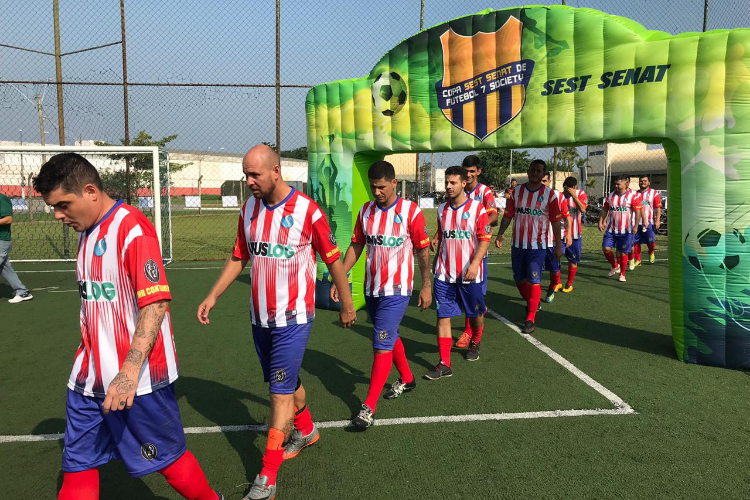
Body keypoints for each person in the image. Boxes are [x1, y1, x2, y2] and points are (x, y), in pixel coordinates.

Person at [33, 154, 222, 500]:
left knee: (168, 459)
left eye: (63, 204)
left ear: (90, 191)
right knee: (78, 465)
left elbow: (156, 303)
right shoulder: (86, 231)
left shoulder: (132, 229)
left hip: (139, 380)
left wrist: (130, 371)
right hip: (87, 378)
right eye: (53, 208)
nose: (58, 216)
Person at [197, 144, 355, 500]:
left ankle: (266, 479)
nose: (248, 181)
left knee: (278, 394)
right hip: (259, 319)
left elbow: (332, 261)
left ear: (276, 172)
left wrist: (346, 303)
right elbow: (240, 255)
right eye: (245, 175)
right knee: (285, 380)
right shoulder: (248, 209)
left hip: (294, 319)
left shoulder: (307, 212)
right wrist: (213, 295)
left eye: (254, 175)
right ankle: (308, 430)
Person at [330, 160, 432, 429]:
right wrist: (339, 276)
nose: (376, 192)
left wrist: (426, 285)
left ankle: (368, 408)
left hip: (397, 291)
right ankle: (407, 378)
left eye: (382, 187)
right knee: (389, 335)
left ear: (395, 183)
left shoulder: (411, 212)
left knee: (380, 343)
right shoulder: (366, 211)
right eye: (373, 187)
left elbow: (422, 251)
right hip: (372, 289)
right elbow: (356, 245)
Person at [428, 165, 491, 379]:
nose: (448, 186)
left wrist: (474, 264)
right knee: (443, 316)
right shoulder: (441, 209)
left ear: (464, 183)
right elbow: (443, 234)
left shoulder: (477, 209)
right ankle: (444, 363)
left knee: (475, 314)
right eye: (447, 182)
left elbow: (484, 240)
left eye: (453, 183)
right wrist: (436, 248)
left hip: (469, 273)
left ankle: (475, 339)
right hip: (444, 274)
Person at [495, 160, 563, 334]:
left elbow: (555, 221)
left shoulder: (550, 195)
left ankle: (530, 318)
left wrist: (557, 245)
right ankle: (533, 302)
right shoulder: (517, 192)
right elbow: (509, 215)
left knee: (534, 280)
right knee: (519, 280)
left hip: (537, 247)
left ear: (544, 174)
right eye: (532, 170)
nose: (535, 173)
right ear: (528, 171)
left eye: (539, 171)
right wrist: (501, 233)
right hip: (518, 245)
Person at [453, 155, 497, 348]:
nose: (469, 174)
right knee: (462, 296)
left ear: (479, 172)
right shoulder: (458, 190)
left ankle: (469, 333)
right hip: (457, 252)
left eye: (473, 171)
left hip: (477, 254)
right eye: (466, 171)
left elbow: (494, 214)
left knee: (471, 295)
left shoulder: (484, 192)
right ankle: (475, 319)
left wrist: (480, 224)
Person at [599, 175, 643, 282]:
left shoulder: (633, 196)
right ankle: (614, 265)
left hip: (626, 230)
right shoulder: (610, 196)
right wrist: (601, 221)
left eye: (618, 184)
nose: (616, 186)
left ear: (626, 183)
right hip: (611, 229)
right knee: (606, 248)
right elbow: (605, 209)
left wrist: (636, 226)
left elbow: (638, 212)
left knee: (623, 252)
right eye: (615, 184)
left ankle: (622, 274)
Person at [541, 172, 571, 303]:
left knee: (553, 269)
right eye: (540, 180)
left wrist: (569, 234)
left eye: (544, 181)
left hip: (553, 240)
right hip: (535, 241)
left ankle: (553, 285)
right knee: (532, 271)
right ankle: (533, 301)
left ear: (549, 181)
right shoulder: (529, 195)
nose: (542, 183)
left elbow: (566, 216)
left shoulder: (558, 196)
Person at [0, 192, 33, 303]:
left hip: (1, 240)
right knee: (5, 268)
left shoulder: (1, 199)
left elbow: (8, 219)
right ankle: (23, 292)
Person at [560, 177, 589, 293]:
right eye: (566, 189)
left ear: (575, 188)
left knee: (573, 260)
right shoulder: (559, 196)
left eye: (571, 189)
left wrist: (574, 196)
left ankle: (569, 283)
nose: (568, 191)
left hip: (575, 234)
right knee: (555, 256)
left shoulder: (581, 194)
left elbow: (583, 209)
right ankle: (557, 282)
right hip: (560, 233)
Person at [633, 174, 662, 265]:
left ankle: (651, 252)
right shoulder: (634, 194)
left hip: (649, 222)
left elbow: (657, 208)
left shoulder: (654, 193)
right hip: (636, 222)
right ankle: (638, 260)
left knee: (651, 241)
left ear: (649, 182)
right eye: (641, 181)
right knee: (636, 241)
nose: (643, 182)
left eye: (645, 181)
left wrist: (657, 220)